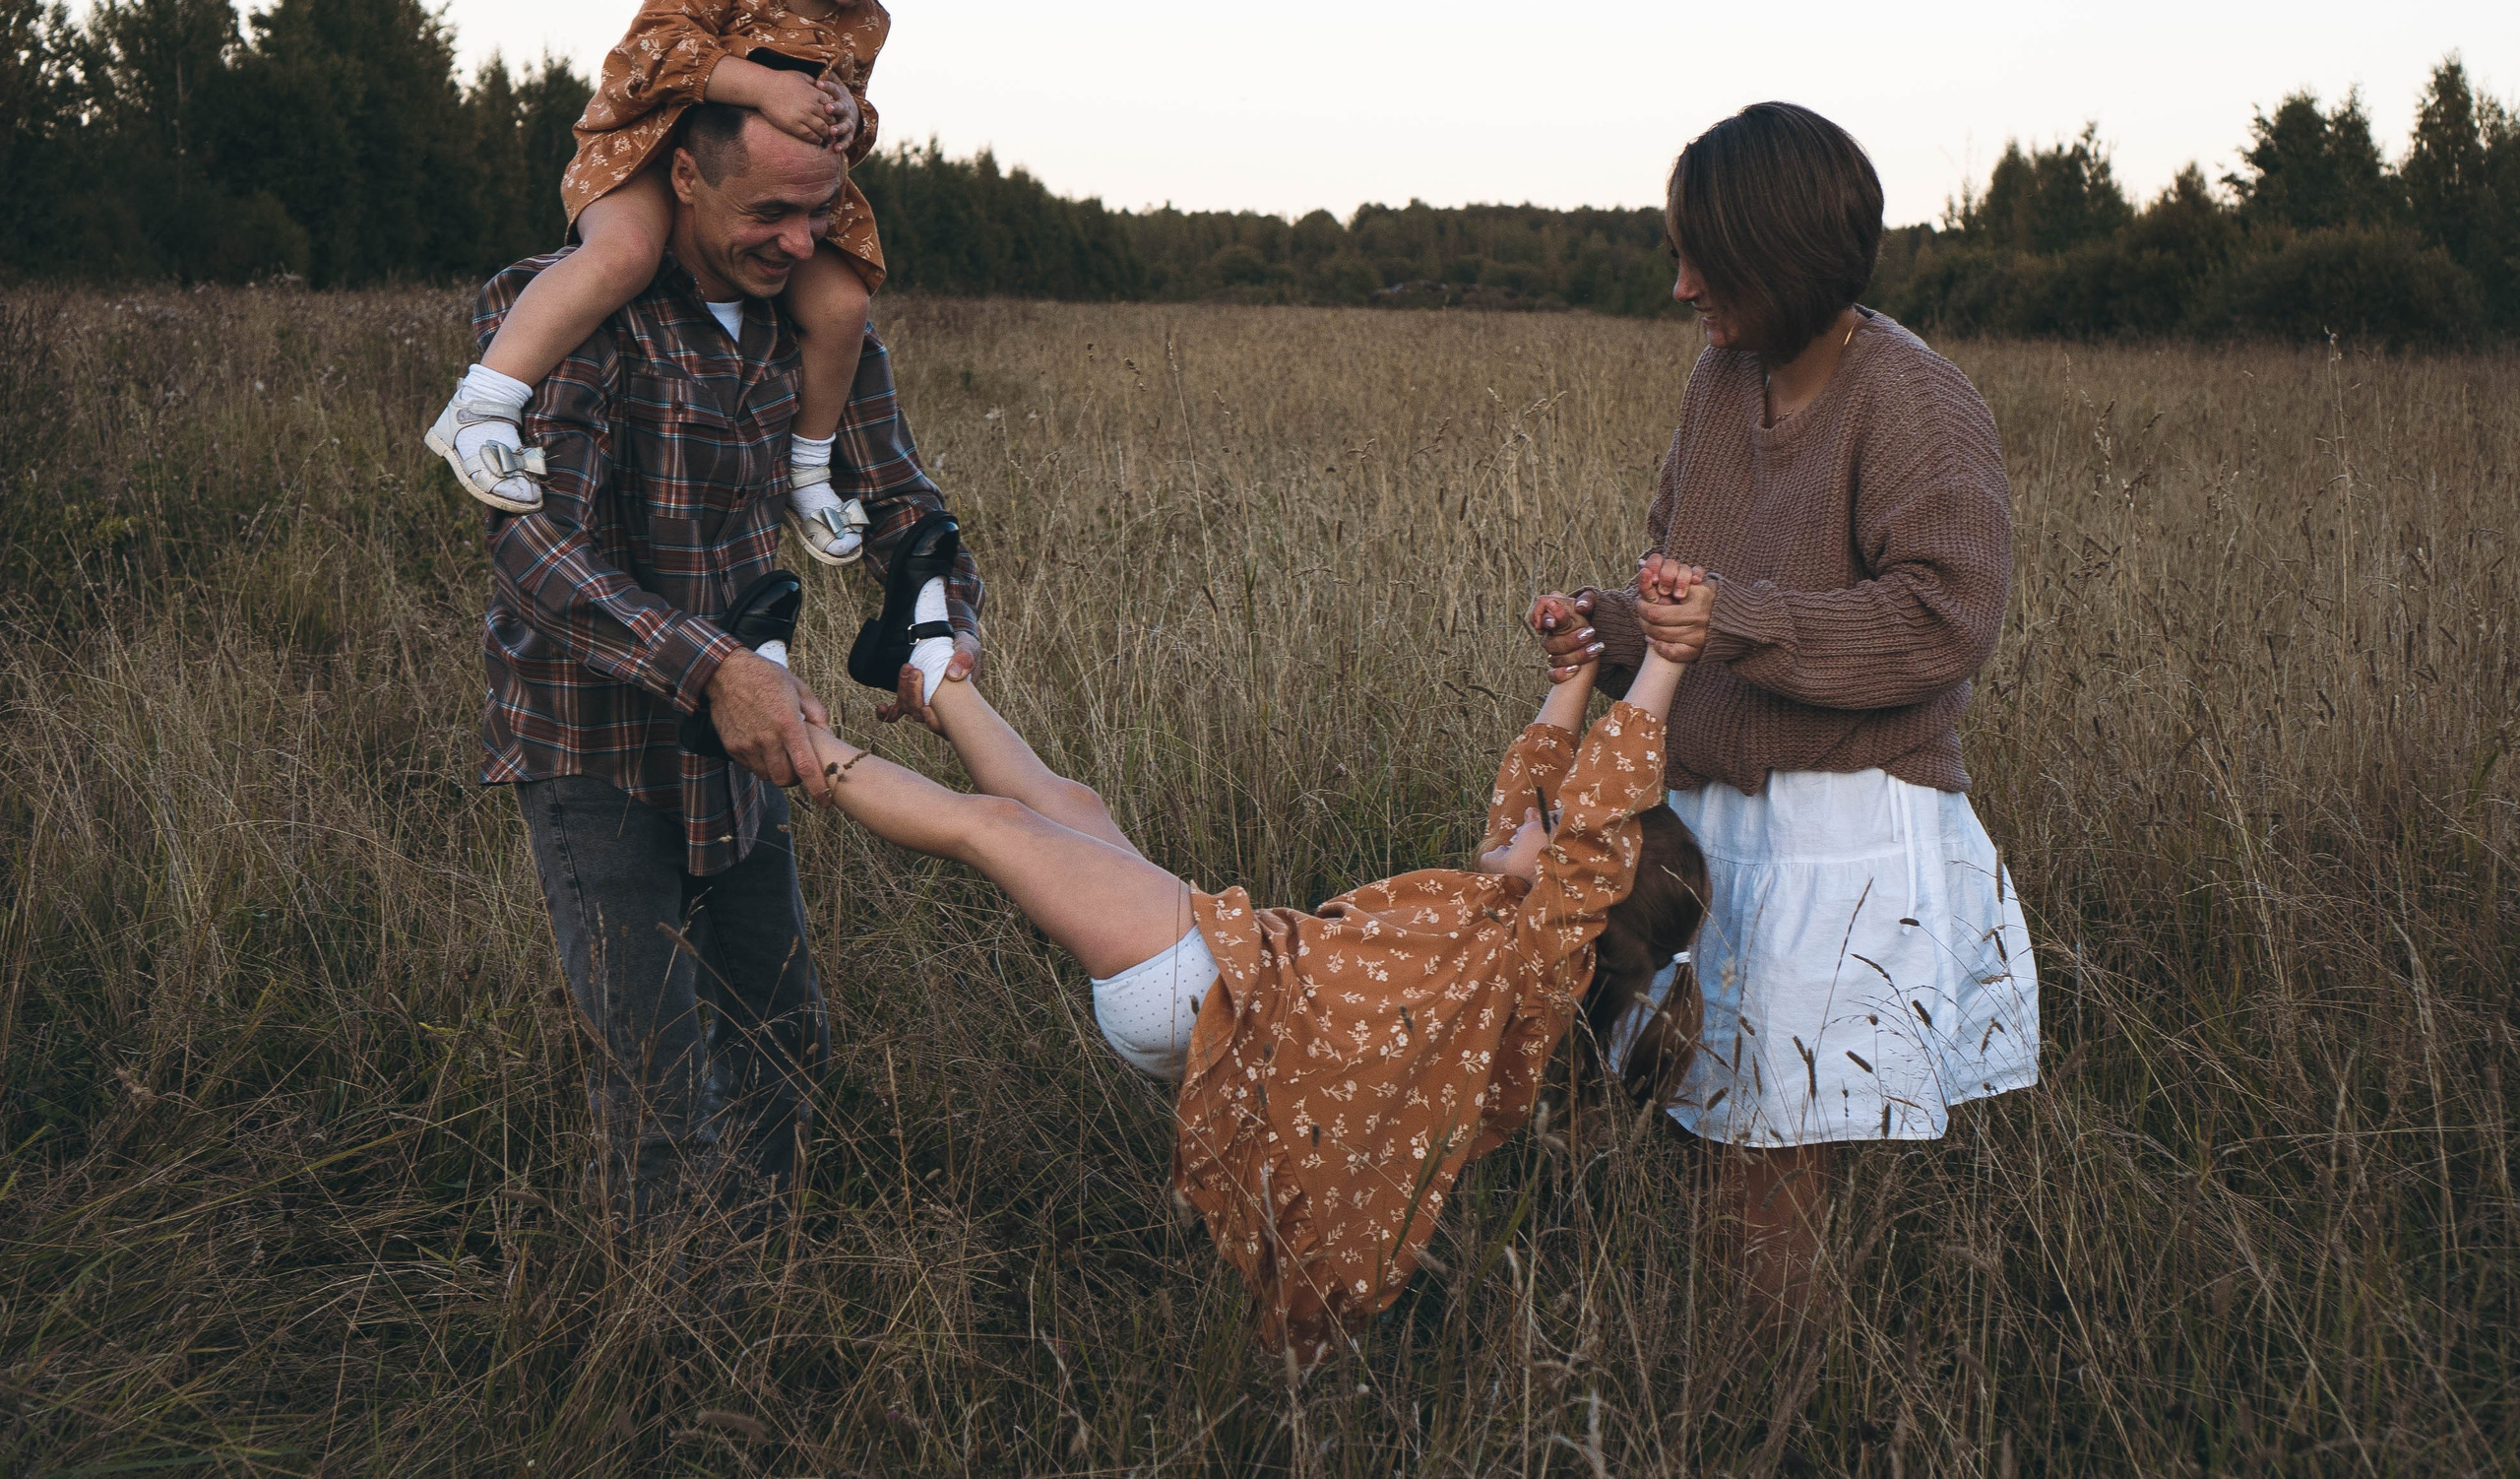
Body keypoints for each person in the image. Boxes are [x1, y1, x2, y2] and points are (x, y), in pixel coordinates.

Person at [799, 543, 1706, 1362]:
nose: (1530, 814)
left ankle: (793, 740)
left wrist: (1665, 660)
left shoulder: (1542, 958)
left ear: (1590, 890)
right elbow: (1541, 784)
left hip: (1212, 986)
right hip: (1228, 977)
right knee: (1066, 804)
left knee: (991, 827)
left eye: (1553, 828)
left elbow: (1590, 811)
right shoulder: (1515, 916)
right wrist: (1575, 665)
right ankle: (923, 660)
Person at [1531, 101, 2039, 1320]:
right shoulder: (1721, 383)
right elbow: (1693, 587)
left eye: (1703, 256)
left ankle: (1776, 1412)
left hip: (1840, 836)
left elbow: (1942, 621)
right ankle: (1727, 1389)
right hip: (1711, 830)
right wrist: (1602, 627)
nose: (1680, 285)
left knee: (1773, 1169)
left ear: (1780, 253)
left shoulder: (1914, 401)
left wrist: (1742, 619)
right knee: (1703, 1137)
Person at [476, 99, 980, 1237]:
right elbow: (530, 542)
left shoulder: (816, 330)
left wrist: (939, 617)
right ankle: (669, 1357)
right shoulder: (573, 311)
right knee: (656, 1090)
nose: (801, 245)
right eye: (771, 212)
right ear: (684, 182)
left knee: (783, 1039)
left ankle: (765, 1292)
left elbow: (900, 500)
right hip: (593, 745)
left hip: (745, 746)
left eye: (821, 214)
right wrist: (711, 670)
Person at [429, 0, 966, 573]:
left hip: (754, 186)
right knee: (623, 259)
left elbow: (843, 122)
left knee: (844, 302)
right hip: (648, 145)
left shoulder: (866, 24)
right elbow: (651, 51)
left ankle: (807, 468)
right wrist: (760, 89)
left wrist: (852, 112)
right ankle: (481, 403)